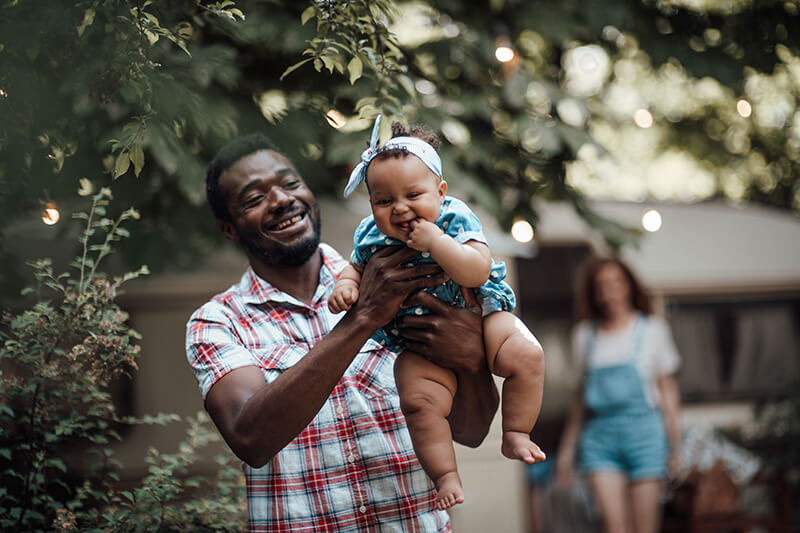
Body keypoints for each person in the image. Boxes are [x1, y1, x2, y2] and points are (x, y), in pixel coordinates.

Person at [185, 132, 501, 532]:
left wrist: (471, 362)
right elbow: (251, 438)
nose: (281, 200)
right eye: (254, 198)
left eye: (290, 183)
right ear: (229, 229)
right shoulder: (216, 323)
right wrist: (364, 317)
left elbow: (471, 433)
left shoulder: (409, 280)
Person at [329, 115, 546, 510]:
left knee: (527, 354)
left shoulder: (453, 218)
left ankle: (517, 431)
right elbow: (355, 266)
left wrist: (437, 241)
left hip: (481, 318)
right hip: (415, 343)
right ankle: (446, 474)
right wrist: (345, 284)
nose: (400, 209)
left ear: (440, 192)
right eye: (383, 200)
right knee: (417, 402)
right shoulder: (370, 235)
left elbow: (476, 269)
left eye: (413, 195)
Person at [554, 256, 682, 533]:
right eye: (601, 285)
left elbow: (668, 392)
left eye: (615, 283)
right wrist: (566, 452)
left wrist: (674, 447)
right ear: (594, 293)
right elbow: (579, 401)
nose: (608, 291)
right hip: (600, 439)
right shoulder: (584, 336)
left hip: (645, 436)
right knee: (615, 528)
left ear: (628, 286)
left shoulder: (653, 330)